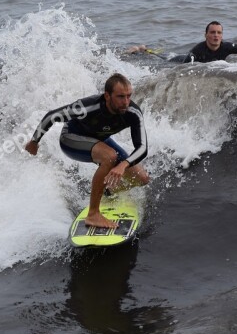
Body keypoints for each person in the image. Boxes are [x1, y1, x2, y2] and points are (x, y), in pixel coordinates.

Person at [24, 73, 149, 229]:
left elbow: (142, 147)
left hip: (100, 140)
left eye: (129, 96)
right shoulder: (88, 107)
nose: (126, 102)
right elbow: (52, 116)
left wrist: (123, 165)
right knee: (110, 156)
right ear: (107, 96)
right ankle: (93, 215)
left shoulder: (133, 113)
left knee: (141, 178)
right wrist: (34, 141)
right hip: (71, 138)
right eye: (120, 97)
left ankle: (108, 191)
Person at [127, 21, 237, 63]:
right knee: (161, 58)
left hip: (187, 57)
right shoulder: (197, 51)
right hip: (180, 60)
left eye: (219, 33)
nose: (216, 36)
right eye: (212, 33)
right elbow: (183, 71)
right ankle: (140, 50)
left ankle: (146, 48)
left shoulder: (227, 47)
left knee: (161, 54)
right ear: (206, 35)